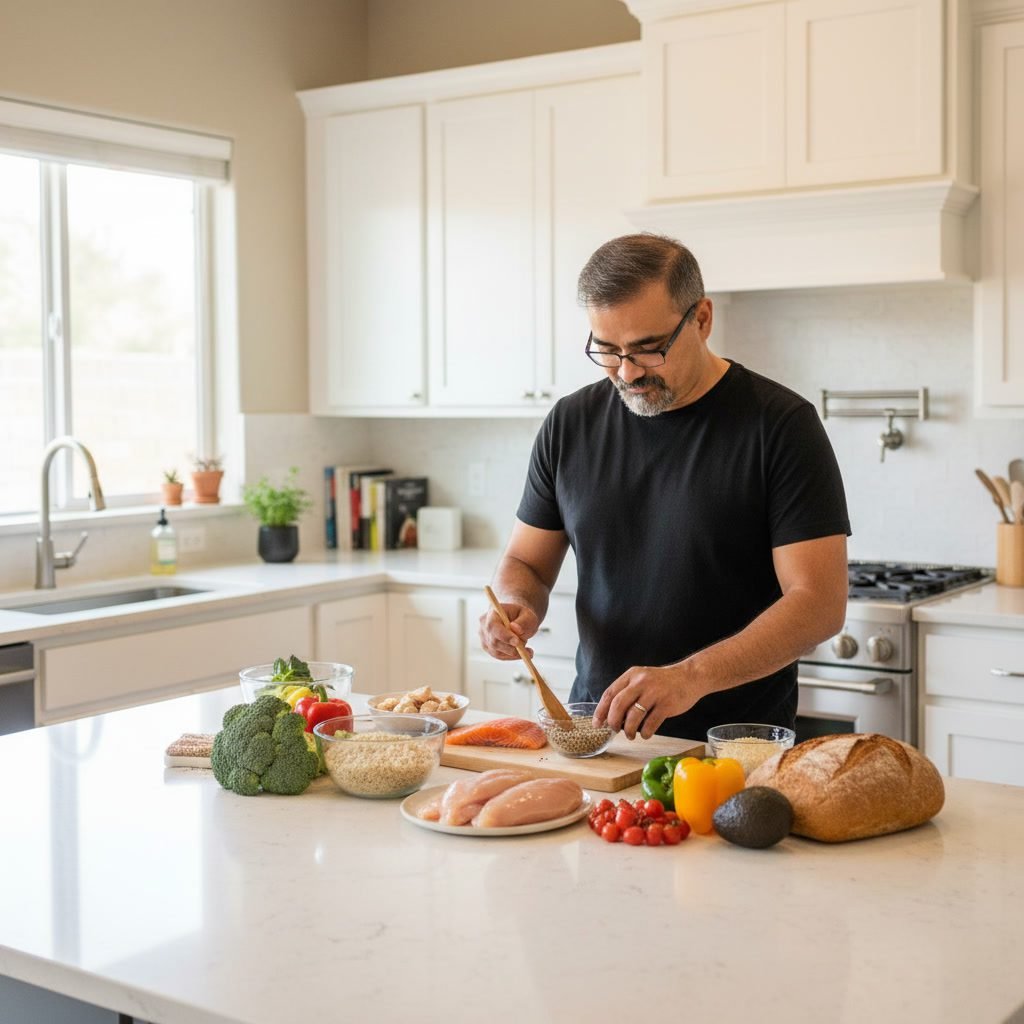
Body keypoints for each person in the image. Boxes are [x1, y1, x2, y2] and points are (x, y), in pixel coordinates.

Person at [478, 233, 851, 742]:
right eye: (607, 351)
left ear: (701, 319)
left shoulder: (781, 426)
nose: (626, 373)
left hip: (732, 743)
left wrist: (690, 678)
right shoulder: (570, 423)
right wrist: (515, 604)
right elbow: (526, 563)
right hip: (597, 733)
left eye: (649, 350)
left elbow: (819, 603)